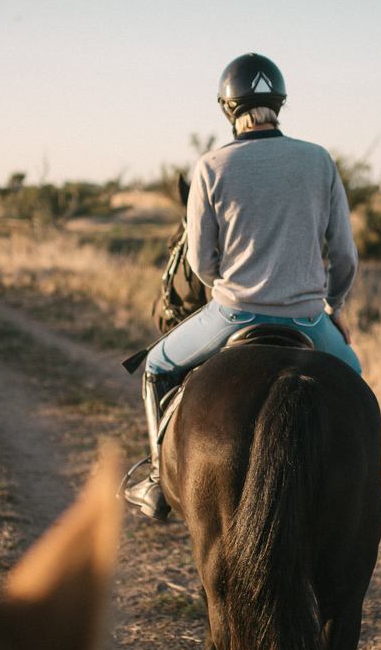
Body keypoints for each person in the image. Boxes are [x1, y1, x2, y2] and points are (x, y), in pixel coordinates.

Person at [123, 52, 361, 520]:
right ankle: (359, 486)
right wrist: (331, 305)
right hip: (310, 319)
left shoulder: (211, 166)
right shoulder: (319, 161)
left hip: (233, 313)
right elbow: (345, 255)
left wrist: (227, 289)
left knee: (154, 366)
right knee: (354, 383)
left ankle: (155, 477)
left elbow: (198, 259)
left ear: (228, 109)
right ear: (279, 104)